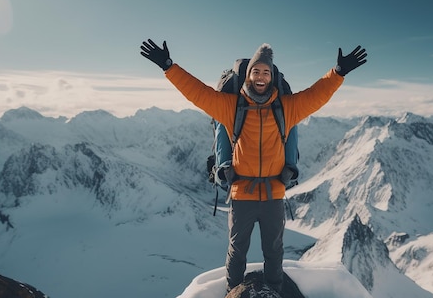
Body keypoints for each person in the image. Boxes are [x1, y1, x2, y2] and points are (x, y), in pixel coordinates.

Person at [139, 39, 367, 293]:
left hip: (273, 193)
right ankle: (234, 292)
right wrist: (169, 67)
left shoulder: (286, 108)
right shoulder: (231, 107)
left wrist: (337, 73)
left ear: (271, 77)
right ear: (249, 75)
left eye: (266, 72)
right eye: (256, 72)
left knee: (274, 251)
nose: (261, 76)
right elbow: (198, 93)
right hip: (242, 192)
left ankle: (273, 291)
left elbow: (316, 96)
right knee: (237, 252)